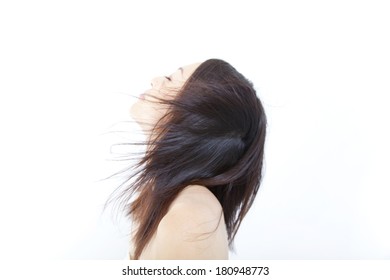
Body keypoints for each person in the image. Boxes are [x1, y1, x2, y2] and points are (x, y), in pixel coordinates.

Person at [112, 58, 267, 259]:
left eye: (169, 79)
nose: (155, 80)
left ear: (198, 120)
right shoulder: (158, 200)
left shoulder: (192, 217)